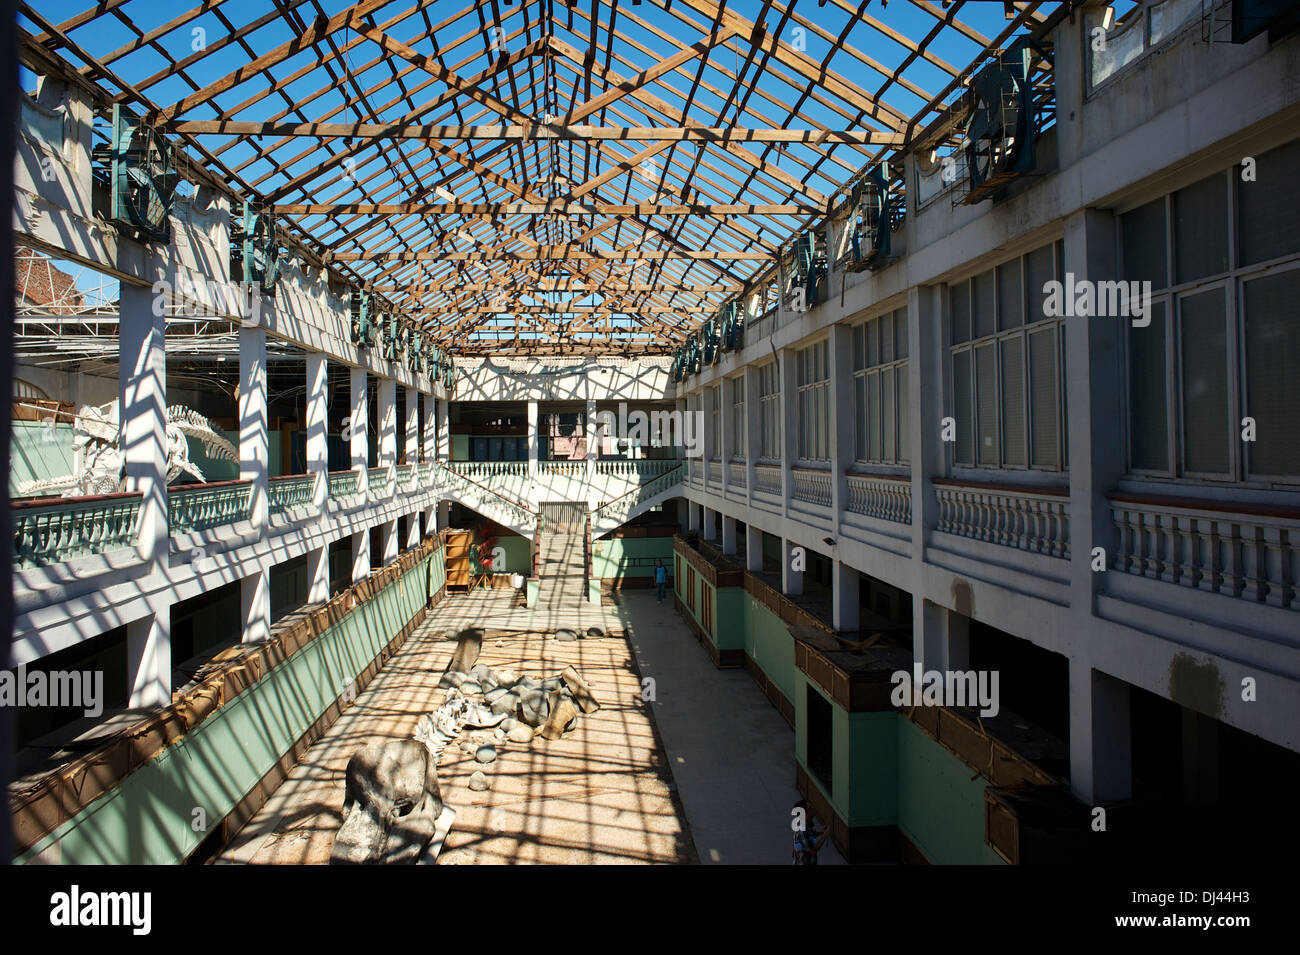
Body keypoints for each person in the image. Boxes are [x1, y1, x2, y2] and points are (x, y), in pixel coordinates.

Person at [792, 799, 828, 865]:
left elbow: (811, 835)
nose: (813, 809)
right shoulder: (802, 830)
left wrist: (822, 832)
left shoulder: (808, 824)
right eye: (810, 808)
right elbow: (813, 850)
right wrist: (825, 835)